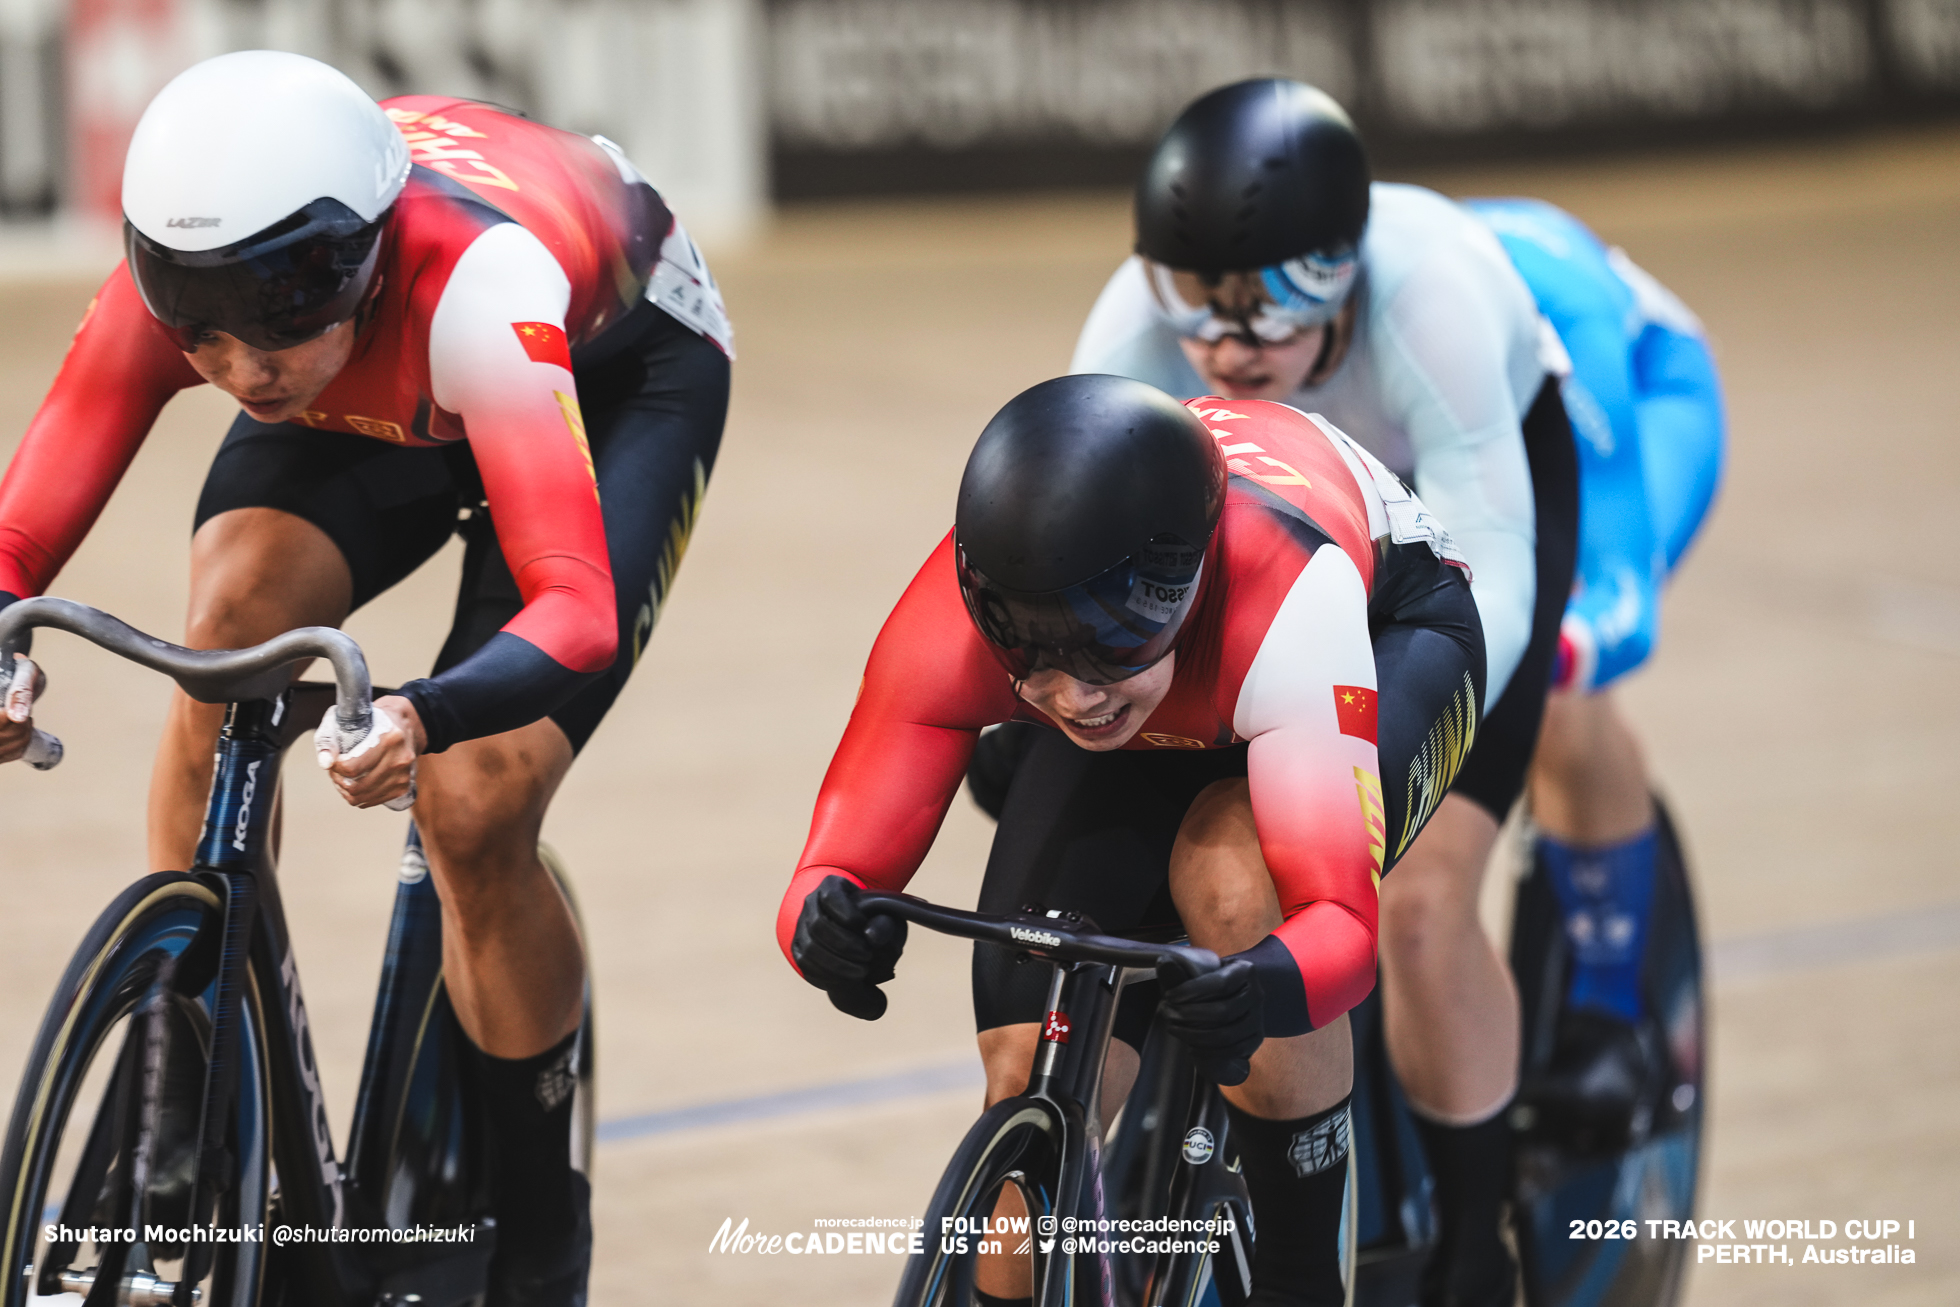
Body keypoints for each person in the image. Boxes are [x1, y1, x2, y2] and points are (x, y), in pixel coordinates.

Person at [0, 51, 731, 1306]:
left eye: (279, 311)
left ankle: (542, 1225)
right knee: (227, 633)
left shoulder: (476, 288)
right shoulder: (213, 304)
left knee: (474, 799)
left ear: (357, 258)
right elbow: (16, 540)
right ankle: (188, 1082)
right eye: (202, 330)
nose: (241, 367)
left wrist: (423, 710)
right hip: (384, 385)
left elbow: (575, 610)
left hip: (615, 374)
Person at [1021, 79, 1583, 1307]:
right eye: (1197, 305)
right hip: (1280, 552)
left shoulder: (1430, 299)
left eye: (1277, 304)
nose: (1231, 342)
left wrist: (1357, 720)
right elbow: (1082, 535)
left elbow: (1492, 574)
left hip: (1452, 564)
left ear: (1345, 274)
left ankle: (1475, 1245)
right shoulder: (1129, 330)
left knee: (1424, 899)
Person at [781, 373, 1486, 1307]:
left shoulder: (1288, 609)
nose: (1072, 694)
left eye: (1116, 638)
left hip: (1389, 634)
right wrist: (823, 922)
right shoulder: (956, 617)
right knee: (1024, 1067)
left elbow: (1339, 927)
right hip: (1189, 687)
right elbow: (832, 862)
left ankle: (1302, 1274)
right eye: (1030, 650)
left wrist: (1266, 981)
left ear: (1185, 589)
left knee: (1233, 881)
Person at [1461, 196, 1723, 1139]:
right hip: (1474, 433)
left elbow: (1618, 603)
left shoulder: (1560, 309)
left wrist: (1548, 653)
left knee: (1562, 695)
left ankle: (1611, 1017)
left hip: (1643, 405)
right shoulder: (1322, 333)